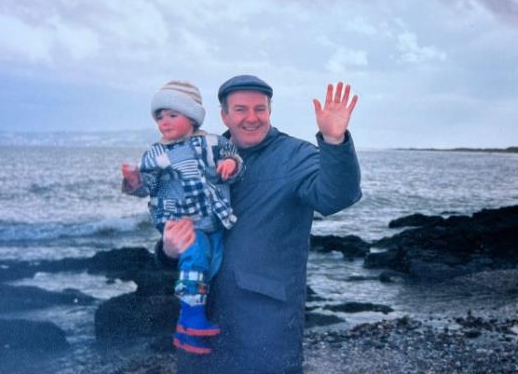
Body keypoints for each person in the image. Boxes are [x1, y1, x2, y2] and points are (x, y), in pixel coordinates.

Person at [156, 75, 361, 373]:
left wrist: (334, 141)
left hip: (266, 325)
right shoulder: (201, 157)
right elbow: (179, 227)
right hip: (202, 316)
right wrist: (168, 251)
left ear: (270, 111)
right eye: (240, 109)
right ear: (224, 115)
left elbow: (337, 196)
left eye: (259, 109)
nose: (251, 118)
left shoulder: (295, 156)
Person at [122, 80, 243, 355]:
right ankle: (190, 317)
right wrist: (133, 181)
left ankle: (191, 329)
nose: (164, 122)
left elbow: (235, 158)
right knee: (195, 257)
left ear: (192, 118)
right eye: (160, 117)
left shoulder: (213, 142)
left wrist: (231, 164)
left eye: (172, 115)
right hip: (182, 220)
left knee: (214, 262)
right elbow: (148, 187)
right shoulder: (156, 154)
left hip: (213, 217)